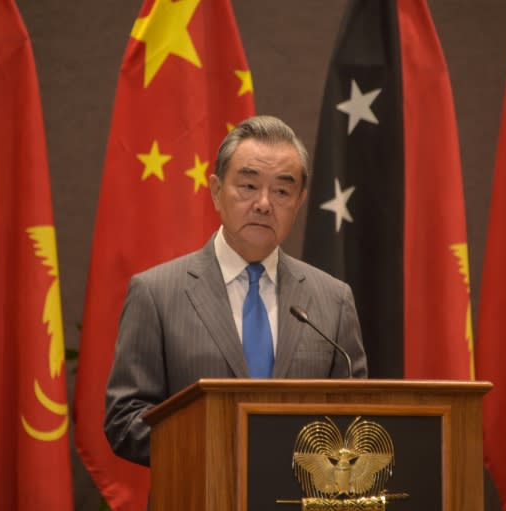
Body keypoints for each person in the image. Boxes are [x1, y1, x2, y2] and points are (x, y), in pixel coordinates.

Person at [104, 115, 367, 467]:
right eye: (248, 186)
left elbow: (357, 419)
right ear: (216, 191)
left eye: (282, 191)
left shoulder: (332, 300)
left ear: (300, 201)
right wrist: (220, 448)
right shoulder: (156, 293)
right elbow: (125, 420)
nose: (263, 203)